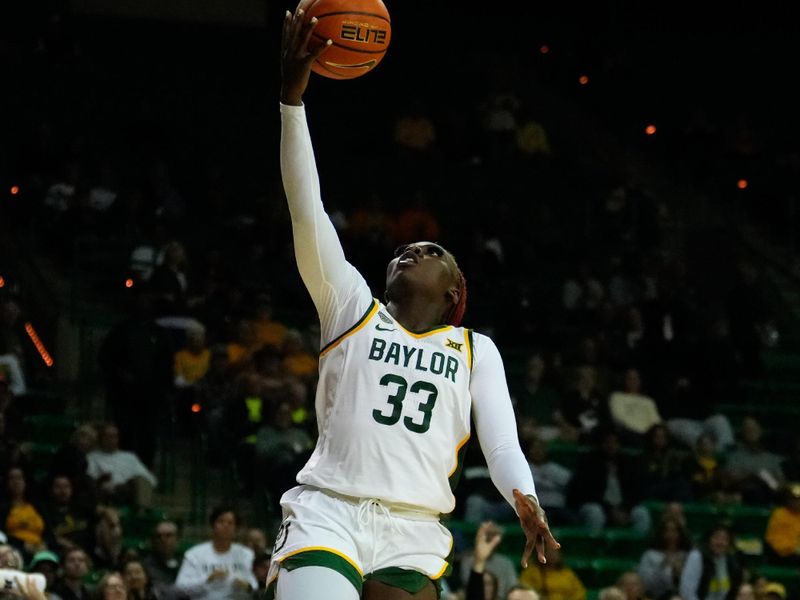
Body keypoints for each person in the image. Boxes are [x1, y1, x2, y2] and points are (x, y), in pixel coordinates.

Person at [267, 5, 558, 599]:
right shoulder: (350, 306)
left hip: (414, 529)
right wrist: (292, 102)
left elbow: (500, 444)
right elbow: (307, 208)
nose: (412, 249)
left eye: (431, 250)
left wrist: (524, 497)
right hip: (330, 513)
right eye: (407, 247)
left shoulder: (476, 350)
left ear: (454, 292)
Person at [174, 506, 257, 599]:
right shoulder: (194, 554)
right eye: (221, 521)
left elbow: (254, 586)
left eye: (230, 523)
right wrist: (208, 580)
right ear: (213, 526)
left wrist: (246, 586)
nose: (225, 526)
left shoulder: (246, 554)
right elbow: (180, 587)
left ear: (236, 528)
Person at [678, 523, 743, 600]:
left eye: (725, 539)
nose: (720, 542)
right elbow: (687, 592)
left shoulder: (731, 561)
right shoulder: (697, 556)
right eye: (716, 538)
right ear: (708, 539)